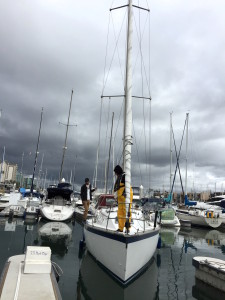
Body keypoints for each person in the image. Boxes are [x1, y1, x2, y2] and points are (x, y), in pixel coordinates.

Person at [114, 165, 133, 232]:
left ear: (117, 171)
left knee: (127, 211)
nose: (115, 174)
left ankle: (127, 228)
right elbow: (117, 188)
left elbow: (127, 185)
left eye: (115, 172)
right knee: (120, 213)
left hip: (126, 195)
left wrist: (125, 193)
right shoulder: (119, 177)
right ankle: (121, 228)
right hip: (120, 197)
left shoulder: (125, 175)